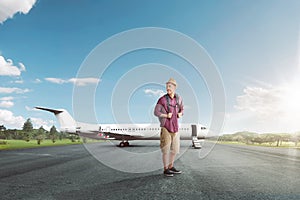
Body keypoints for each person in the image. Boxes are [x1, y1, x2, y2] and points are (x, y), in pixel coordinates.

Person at [154, 78, 184, 177]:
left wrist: (180, 113)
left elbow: (182, 110)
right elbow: (156, 112)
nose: (167, 88)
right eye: (166, 86)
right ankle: (165, 169)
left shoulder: (179, 99)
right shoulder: (162, 99)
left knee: (175, 150)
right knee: (166, 150)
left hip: (175, 128)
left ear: (175, 87)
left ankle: (171, 166)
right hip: (166, 127)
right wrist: (166, 115)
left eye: (170, 86)